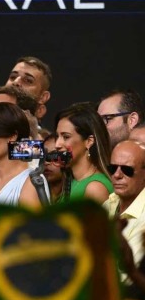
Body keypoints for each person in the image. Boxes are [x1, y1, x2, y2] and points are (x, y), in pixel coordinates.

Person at [54, 103, 112, 203]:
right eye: (57, 136)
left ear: (89, 141)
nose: (57, 144)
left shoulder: (95, 188)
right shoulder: (71, 182)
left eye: (66, 137)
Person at [102, 140, 145, 268]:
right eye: (113, 168)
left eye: (127, 170)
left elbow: (126, 276)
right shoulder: (109, 203)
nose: (117, 175)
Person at [43, 134, 63, 202]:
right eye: (43, 156)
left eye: (54, 156)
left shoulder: (78, 191)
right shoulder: (33, 192)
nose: (46, 162)